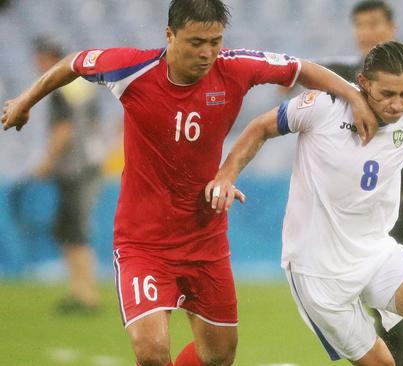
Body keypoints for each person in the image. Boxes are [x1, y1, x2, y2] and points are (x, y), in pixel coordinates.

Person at [1, 1, 378, 365]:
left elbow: (301, 69)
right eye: (196, 42)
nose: (207, 53)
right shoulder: (131, 68)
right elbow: (73, 63)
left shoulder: (236, 68)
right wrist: (25, 100)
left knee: (218, 355)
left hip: (204, 237)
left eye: (214, 42)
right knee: (151, 350)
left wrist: (353, 97)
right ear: (170, 35)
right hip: (143, 242)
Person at [208, 41, 403, 366]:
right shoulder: (323, 105)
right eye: (387, 94)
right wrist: (227, 175)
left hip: (375, 253)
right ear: (364, 83)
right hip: (317, 270)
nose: (398, 105)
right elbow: (262, 127)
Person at [318, 2, 403, 364]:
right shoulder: (351, 77)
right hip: (356, 211)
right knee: (371, 302)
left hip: (400, 203)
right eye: (361, 25)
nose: (367, 32)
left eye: (374, 24)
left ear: (391, 28)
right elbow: (314, 72)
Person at [31, 35, 103, 314]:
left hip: (74, 169)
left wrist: (47, 162)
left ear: (50, 58)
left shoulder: (58, 88)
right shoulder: (81, 86)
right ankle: (79, 290)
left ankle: (86, 294)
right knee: (72, 231)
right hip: (88, 165)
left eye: (40, 58)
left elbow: (63, 129)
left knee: (75, 232)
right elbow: (95, 123)